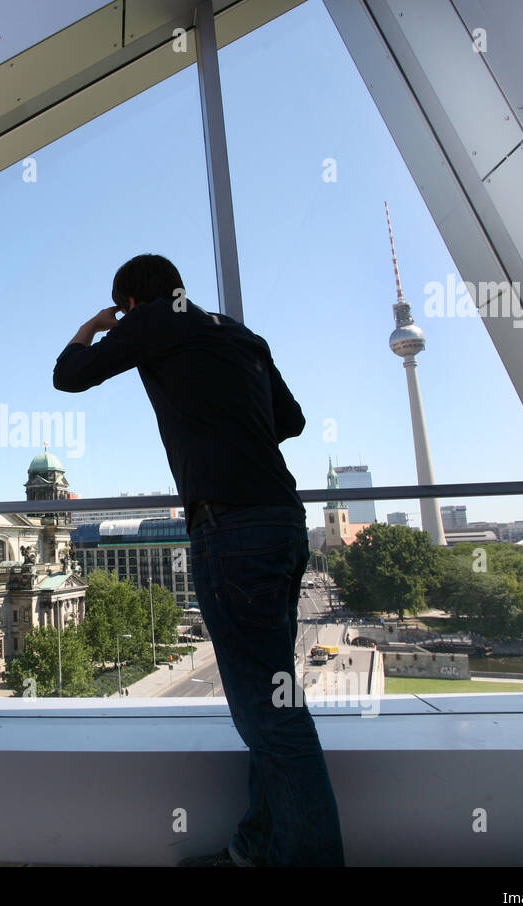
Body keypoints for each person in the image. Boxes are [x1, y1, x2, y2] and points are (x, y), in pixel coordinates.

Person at [52, 253, 344, 867]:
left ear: (132, 301)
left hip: (230, 529)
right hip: (284, 522)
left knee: (271, 717)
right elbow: (290, 421)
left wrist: (96, 327)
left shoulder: (151, 320)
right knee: (273, 700)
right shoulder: (238, 333)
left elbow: (69, 376)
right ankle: (256, 849)